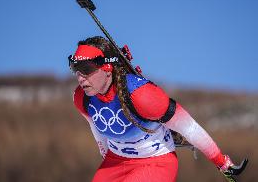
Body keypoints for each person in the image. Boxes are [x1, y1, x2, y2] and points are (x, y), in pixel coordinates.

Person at [70, 36, 235, 182]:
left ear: (107, 68)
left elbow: (189, 127)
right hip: (116, 161)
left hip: (155, 162)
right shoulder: (82, 98)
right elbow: (97, 128)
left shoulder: (142, 95)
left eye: (86, 69)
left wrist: (221, 162)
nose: (80, 77)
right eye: (75, 69)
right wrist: (106, 155)